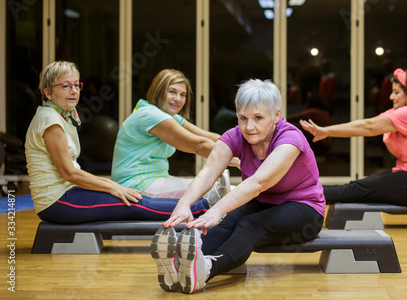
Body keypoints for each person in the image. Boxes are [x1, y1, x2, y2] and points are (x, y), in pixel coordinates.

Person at [150, 79, 326, 294]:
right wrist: (184, 203)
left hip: (305, 209)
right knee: (226, 224)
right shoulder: (235, 136)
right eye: (243, 118)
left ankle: (205, 270)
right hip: (264, 203)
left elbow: (257, 183)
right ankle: (179, 266)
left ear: (276, 116)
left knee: (249, 225)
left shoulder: (290, 139)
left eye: (258, 118)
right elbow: (208, 173)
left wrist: (216, 210)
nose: (249, 127)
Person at [25, 61, 212, 224]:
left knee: (133, 200)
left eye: (76, 85)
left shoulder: (61, 116)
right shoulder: (50, 120)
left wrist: (108, 185)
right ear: (48, 92)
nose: (74, 91)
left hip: (67, 194)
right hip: (57, 201)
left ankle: (202, 206)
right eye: (65, 86)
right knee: (133, 204)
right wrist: (112, 186)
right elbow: (68, 172)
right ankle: (203, 209)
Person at [300, 68, 407, 206]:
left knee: (355, 189)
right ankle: (300, 197)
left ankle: (298, 198)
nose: (392, 97)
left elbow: (369, 127)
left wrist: (326, 131)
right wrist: (326, 131)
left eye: (397, 92)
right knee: (355, 187)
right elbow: (369, 125)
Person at [111, 69, 237, 199]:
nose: (178, 99)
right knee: (221, 193)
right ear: (158, 91)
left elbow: (208, 136)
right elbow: (199, 145)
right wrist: (241, 161)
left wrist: (242, 144)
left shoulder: (167, 115)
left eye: (183, 95)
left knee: (225, 191)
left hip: (154, 180)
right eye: (172, 92)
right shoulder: (150, 115)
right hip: (135, 186)